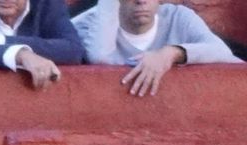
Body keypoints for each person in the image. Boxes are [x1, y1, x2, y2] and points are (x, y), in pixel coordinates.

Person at [74, 0, 243, 96]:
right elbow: (100, 57)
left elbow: (223, 52)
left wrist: (171, 53)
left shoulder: (178, 17)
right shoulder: (90, 25)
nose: (141, 1)